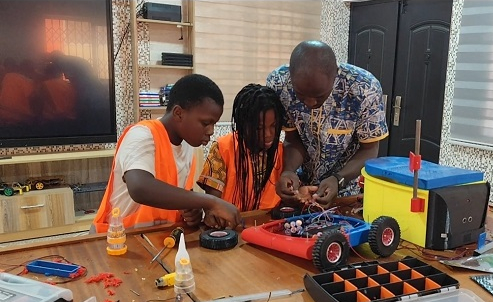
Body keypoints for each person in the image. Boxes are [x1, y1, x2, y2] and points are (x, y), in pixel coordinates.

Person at [91, 73, 242, 234]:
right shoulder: (141, 135)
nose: (211, 131)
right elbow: (140, 188)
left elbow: (179, 196)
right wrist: (211, 202)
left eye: (214, 123)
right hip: (119, 240)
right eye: (205, 123)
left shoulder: (188, 146)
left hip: (159, 238)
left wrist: (192, 212)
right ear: (178, 113)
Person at [266, 40, 389, 209]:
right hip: (302, 190)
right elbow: (293, 139)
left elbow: (369, 149)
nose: (309, 102)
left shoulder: (364, 89)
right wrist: (289, 171)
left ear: (335, 76)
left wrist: (339, 179)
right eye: (301, 94)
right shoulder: (280, 84)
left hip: (347, 192)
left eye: (319, 95)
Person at [196, 83, 285, 212]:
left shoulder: (282, 152)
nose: (268, 134)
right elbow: (213, 206)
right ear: (243, 125)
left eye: (273, 126)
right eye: (259, 128)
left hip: (269, 225)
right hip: (231, 226)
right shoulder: (223, 148)